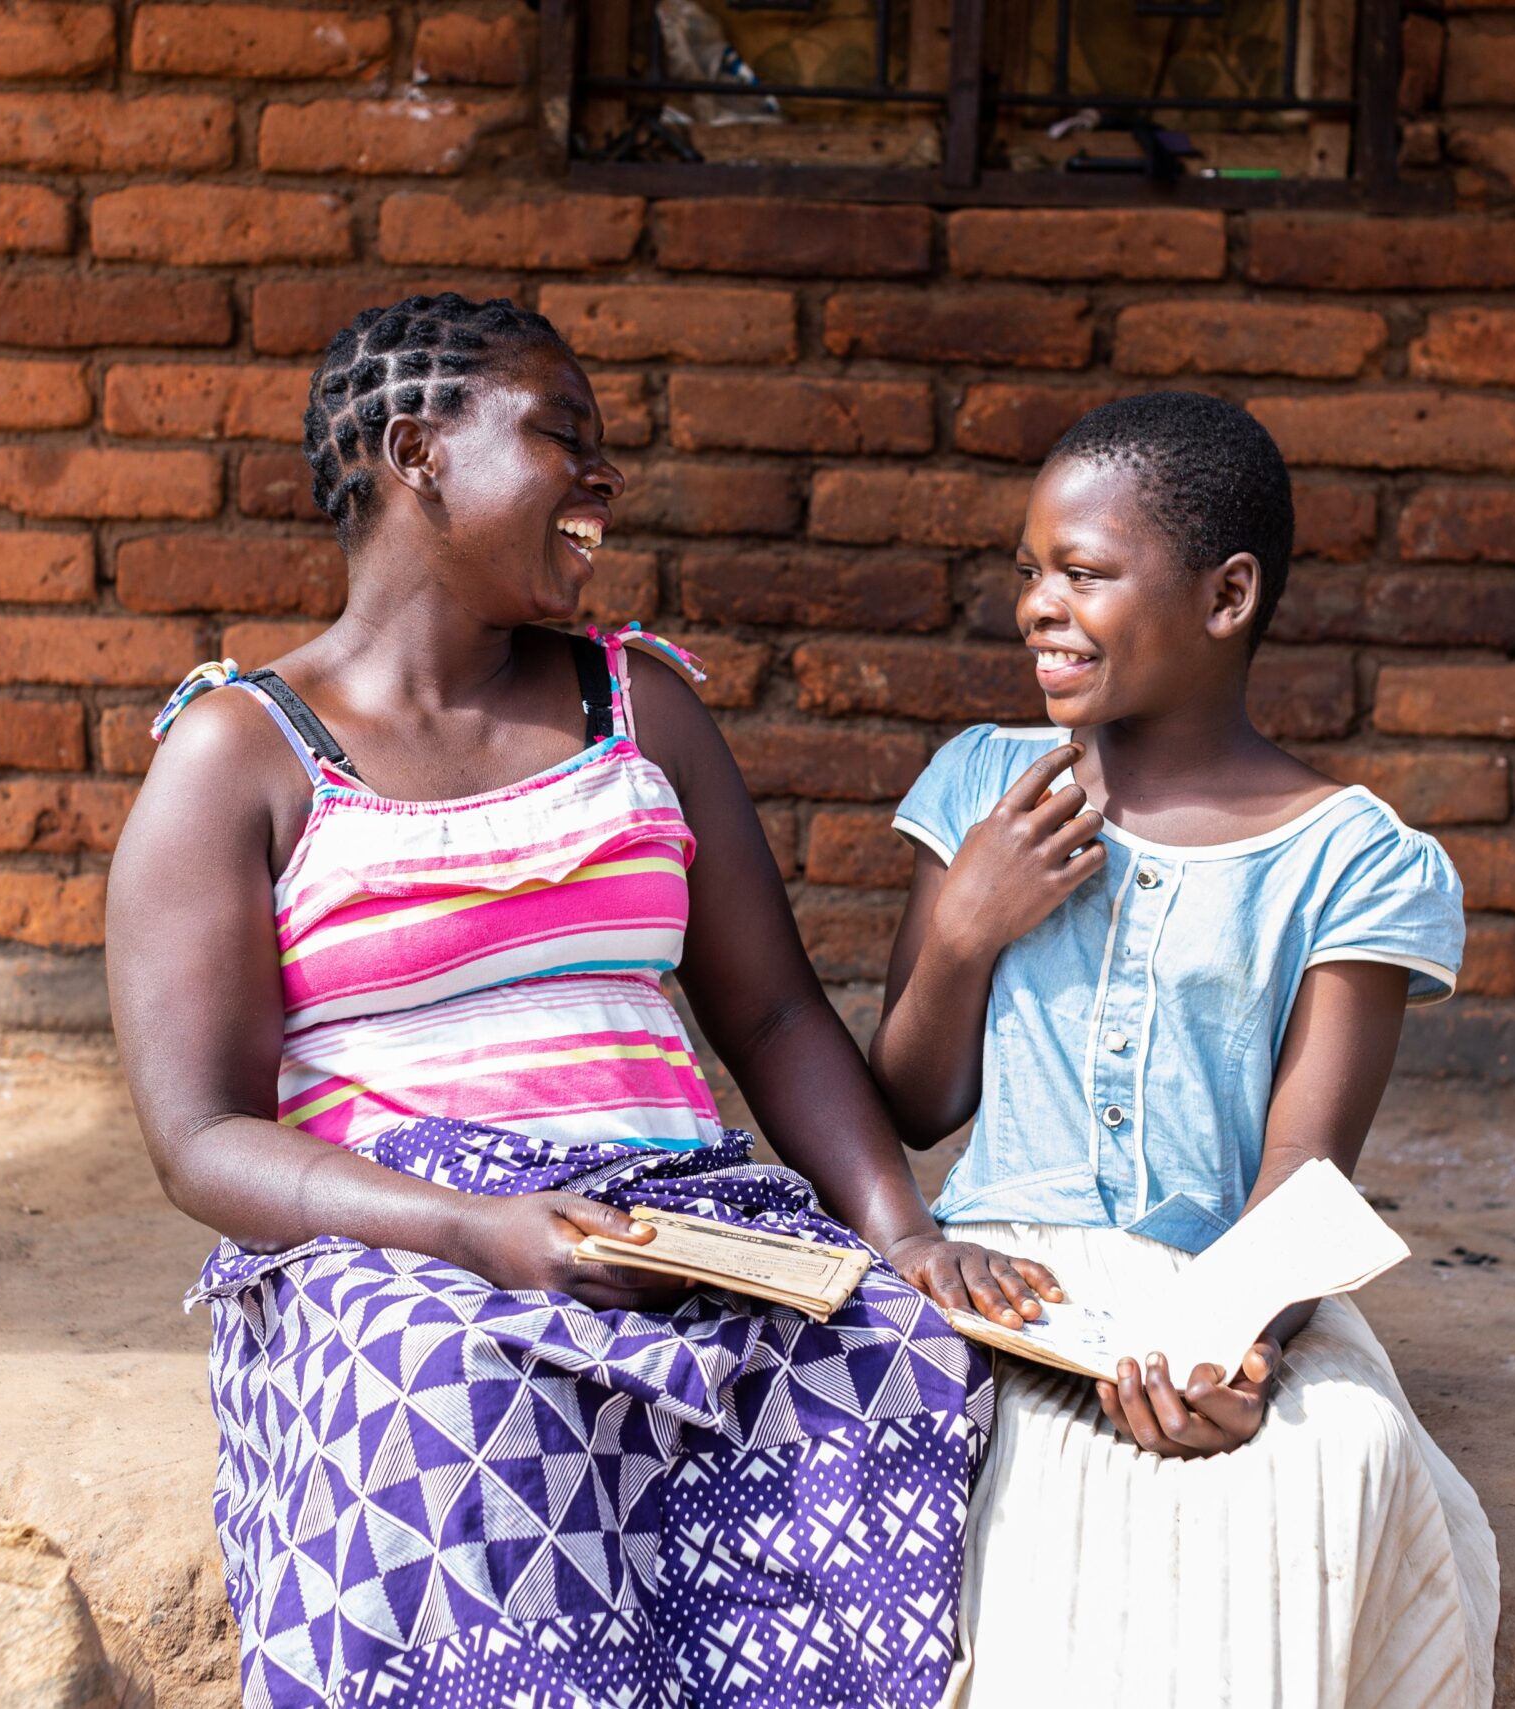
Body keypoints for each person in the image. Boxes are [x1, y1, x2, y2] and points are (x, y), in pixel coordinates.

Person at [105, 293, 1053, 1709]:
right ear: (419, 450)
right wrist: (482, 1233)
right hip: (399, 1241)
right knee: (453, 1408)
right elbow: (200, 1138)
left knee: (890, 1357)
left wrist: (902, 1229)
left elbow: (779, 1017)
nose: (605, 479)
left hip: (677, 1216)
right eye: (564, 437)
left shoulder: (643, 711)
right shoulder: (240, 756)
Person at [870, 392, 1499, 1707]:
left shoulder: (1352, 859)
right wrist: (964, 931)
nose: (1041, 603)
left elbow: (1300, 1176)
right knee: (1001, 1485)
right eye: (1030, 572)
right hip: (1004, 1279)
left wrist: (1223, 1348)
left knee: (1337, 1463)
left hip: (1224, 1289)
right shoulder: (988, 787)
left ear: (1226, 598)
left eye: (1085, 573)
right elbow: (915, 1102)